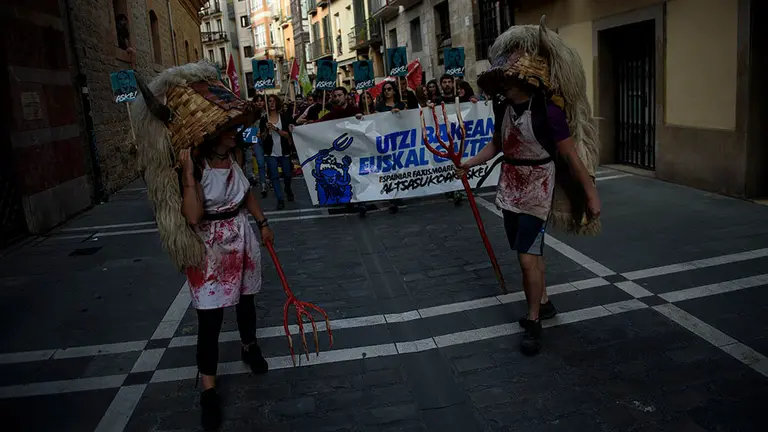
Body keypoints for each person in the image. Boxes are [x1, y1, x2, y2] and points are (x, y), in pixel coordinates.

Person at [133, 62, 278, 430]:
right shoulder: (195, 168)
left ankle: (249, 347)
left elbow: (245, 194)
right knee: (209, 319)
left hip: (241, 234)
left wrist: (262, 223)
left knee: (247, 300)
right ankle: (209, 389)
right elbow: (194, 217)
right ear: (212, 136)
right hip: (210, 247)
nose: (235, 134)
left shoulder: (234, 157)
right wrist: (185, 176)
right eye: (229, 130)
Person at [458, 16, 602, 356]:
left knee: (526, 259)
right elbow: (496, 145)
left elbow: (569, 156)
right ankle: (545, 300)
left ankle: (534, 320)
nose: (502, 84)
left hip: (539, 185)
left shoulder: (549, 112)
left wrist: (592, 194)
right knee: (527, 253)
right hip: (508, 185)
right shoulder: (502, 106)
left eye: (506, 79)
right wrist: (468, 163)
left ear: (523, 79)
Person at [259, 94, 296, 210]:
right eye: (269, 101)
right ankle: (280, 199)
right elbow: (262, 138)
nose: (272, 103)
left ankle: (288, 188)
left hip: (284, 151)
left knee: (287, 174)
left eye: (274, 101)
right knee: (274, 176)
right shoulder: (264, 119)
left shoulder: (285, 117)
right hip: (270, 152)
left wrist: (275, 129)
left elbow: (287, 135)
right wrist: (266, 130)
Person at [249, 94, 268, 196]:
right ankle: (263, 186)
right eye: (257, 101)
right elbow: (249, 128)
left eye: (261, 100)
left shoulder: (268, 113)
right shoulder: (251, 115)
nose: (259, 103)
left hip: (268, 141)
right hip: (256, 140)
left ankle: (271, 180)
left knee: (269, 161)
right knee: (261, 164)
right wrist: (251, 144)